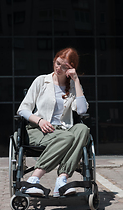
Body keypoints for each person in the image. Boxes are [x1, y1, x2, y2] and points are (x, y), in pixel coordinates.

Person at [17, 47, 89, 197]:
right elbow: (22, 109)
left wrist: (76, 80)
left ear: (72, 68)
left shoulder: (73, 86)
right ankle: (33, 180)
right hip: (39, 129)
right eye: (57, 63)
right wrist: (40, 120)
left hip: (63, 130)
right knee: (68, 137)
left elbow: (82, 110)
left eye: (65, 66)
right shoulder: (41, 81)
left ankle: (61, 181)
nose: (59, 68)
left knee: (83, 130)